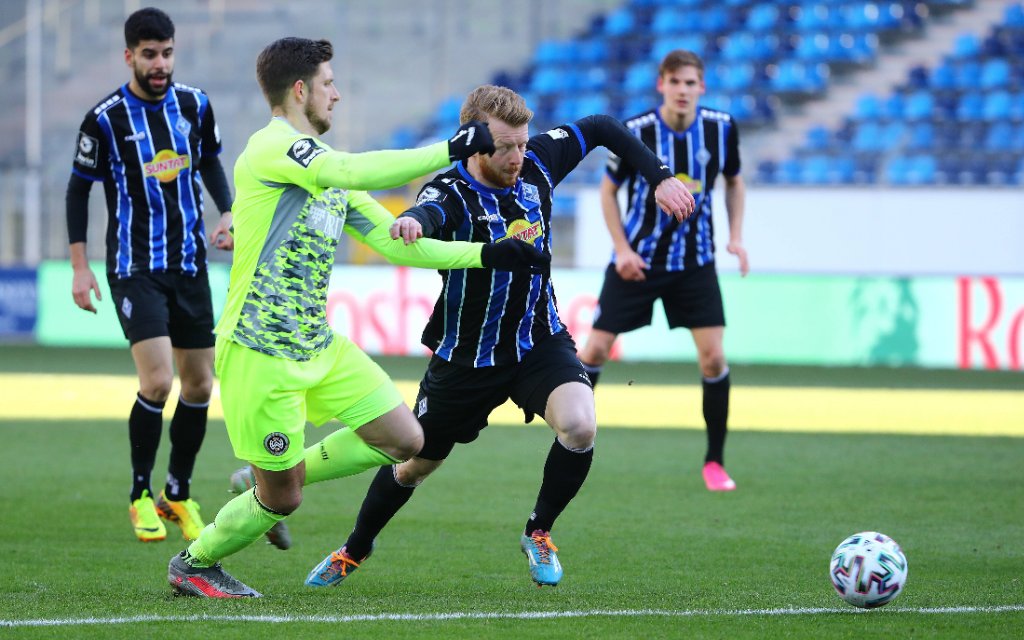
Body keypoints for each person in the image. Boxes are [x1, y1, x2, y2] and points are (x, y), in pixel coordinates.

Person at [166, 38, 548, 598]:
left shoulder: (327, 174)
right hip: (260, 350)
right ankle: (193, 564)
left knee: (406, 438)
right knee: (283, 498)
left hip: (318, 346)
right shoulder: (273, 149)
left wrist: (487, 254)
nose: (336, 94)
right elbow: (351, 167)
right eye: (328, 83)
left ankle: (266, 479)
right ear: (300, 91)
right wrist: (452, 149)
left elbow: (397, 247)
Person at [303, 85, 695, 590]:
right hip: (466, 357)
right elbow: (429, 214)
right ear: (472, 144)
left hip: (538, 340)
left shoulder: (537, 165)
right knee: (413, 465)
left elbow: (599, 125)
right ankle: (353, 550)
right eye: (504, 147)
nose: (517, 157)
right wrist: (409, 223)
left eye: (522, 144)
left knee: (579, 425)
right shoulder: (447, 192)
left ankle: (538, 532)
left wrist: (658, 177)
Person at [67, 7, 235, 543]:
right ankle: (139, 493)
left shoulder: (194, 104)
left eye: (166, 53)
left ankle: (177, 494)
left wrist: (226, 210)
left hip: (189, 263)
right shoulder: (105, 118)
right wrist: (78, 266)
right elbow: (78, 189)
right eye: (148, 55)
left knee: (200, 384)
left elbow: (208, 160)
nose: (159, 64)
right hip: (134, 267)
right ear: (129, 56)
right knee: (158, 381)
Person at [577, 49, 749, 492]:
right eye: (675, 82)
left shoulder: (720, 128)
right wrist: (621, 249)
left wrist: (736, 236)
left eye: (691, 83)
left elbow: (733, 181)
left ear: (701, 87)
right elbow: (607, 191)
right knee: (593, 351)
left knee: (713, 357)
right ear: (662, 85)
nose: (683, 91)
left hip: (695, 262)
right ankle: (570, 440)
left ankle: (715, 461)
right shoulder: (637, 132)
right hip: (639, 261)